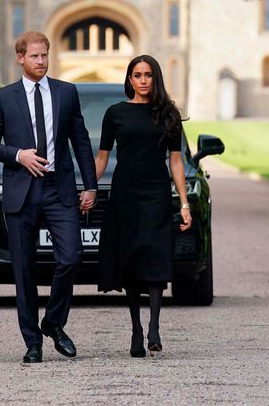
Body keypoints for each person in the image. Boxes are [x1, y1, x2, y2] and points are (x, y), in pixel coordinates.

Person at [0, 31, 97, 363]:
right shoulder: (4, 97)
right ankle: (33, 342)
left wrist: (89, 185)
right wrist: (19, 155)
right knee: (24, 272)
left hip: (58, 190)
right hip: (21, 191)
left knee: (72, 256)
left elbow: (81, 140)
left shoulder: (66, 92)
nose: (41, 61)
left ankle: (54, 323)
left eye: (45, 55)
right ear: (20, 58)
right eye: (34, 56)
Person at [95, 55, 191, 358]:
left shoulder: (168, 115)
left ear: (156, 78)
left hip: (156, 193)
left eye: (148, 74)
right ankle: (136, 329)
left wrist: (184, 203)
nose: (143, 80)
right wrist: (87, 187)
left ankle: (154, 327)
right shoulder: (115, 114)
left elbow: (175, 161)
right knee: (131, 260)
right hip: (125, 193)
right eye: (137, 75)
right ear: (129, 80)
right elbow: (102, 157)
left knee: (155, 255)